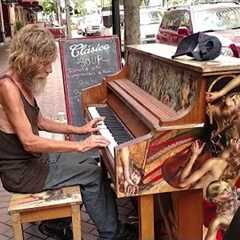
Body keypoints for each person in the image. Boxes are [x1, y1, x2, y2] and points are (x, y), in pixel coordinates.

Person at [0, 24, 136, 240]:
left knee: (91, 159)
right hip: (22, 173)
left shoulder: (22, 82)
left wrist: (79, 129)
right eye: (45, 63)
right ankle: (111, 233)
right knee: (91, 173)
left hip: (35, 161)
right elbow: (29, 142)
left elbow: (40, 121)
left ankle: (57, 223)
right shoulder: (7, 87)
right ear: (29, 58)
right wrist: (79, 144)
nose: (49, 70)